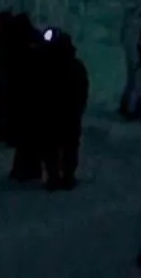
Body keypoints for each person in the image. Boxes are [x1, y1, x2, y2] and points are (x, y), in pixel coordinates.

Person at [36, 25, 91, 190]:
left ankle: (59, 176)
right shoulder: (71, 65)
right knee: (66, 145)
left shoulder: (44, 64)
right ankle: (64, 176)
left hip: (56, 112)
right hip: (64, 112)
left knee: (56, 146)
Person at [0, 10, 39, 147]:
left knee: (8, 103)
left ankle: (5, 134)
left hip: (14, 76)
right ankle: (9, 134)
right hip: (14, 76)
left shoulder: (4, 35)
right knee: (12, 103)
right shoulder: (8, 35)